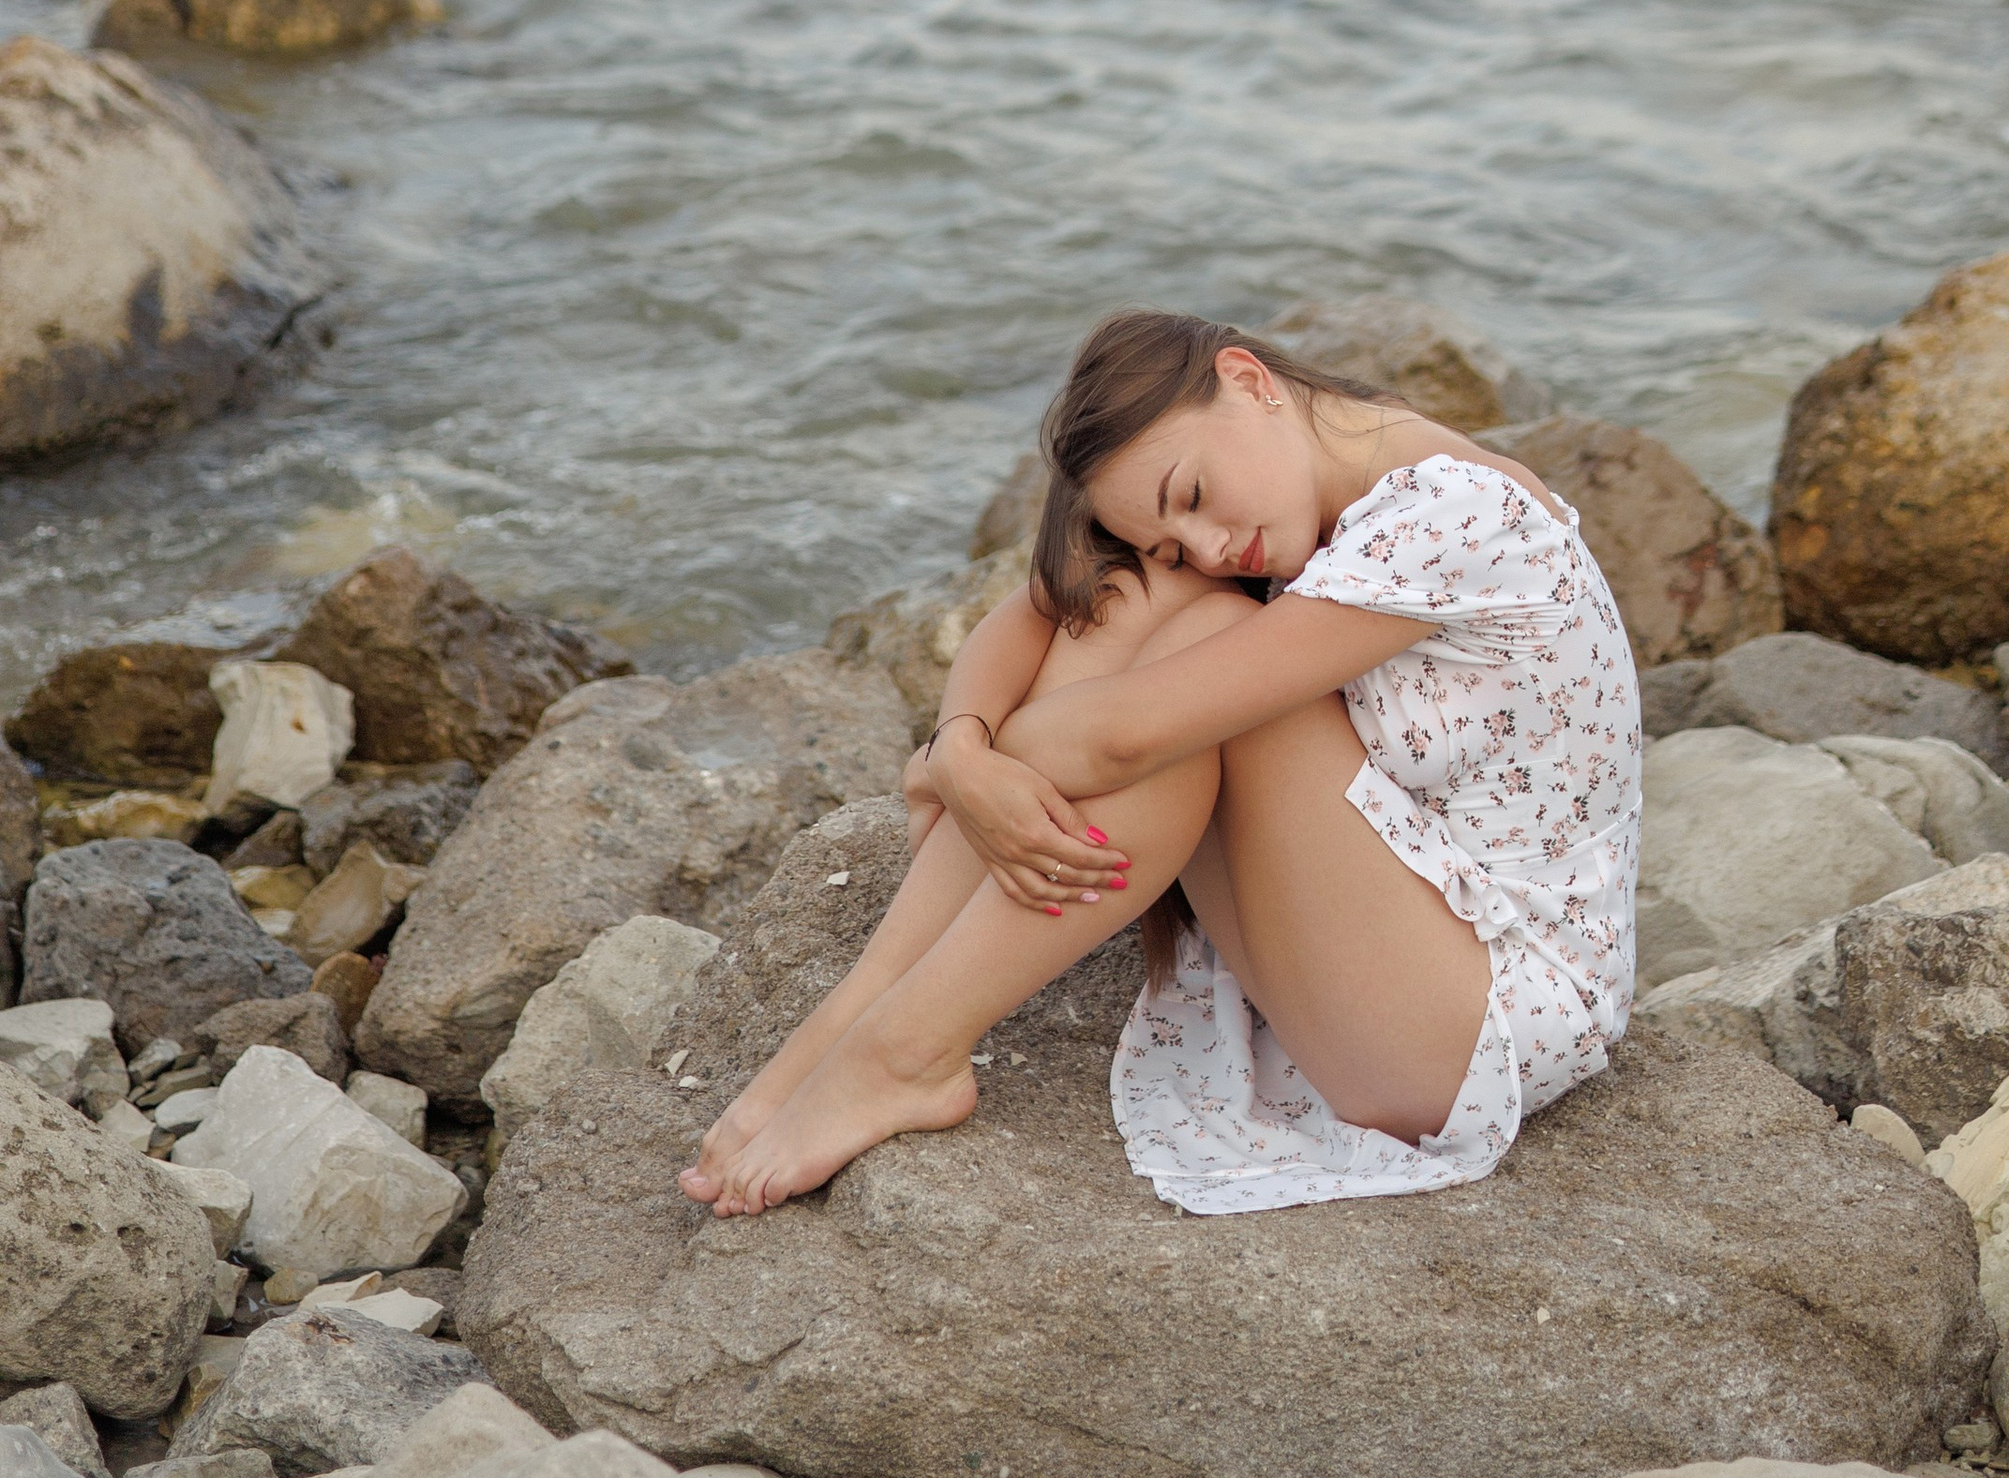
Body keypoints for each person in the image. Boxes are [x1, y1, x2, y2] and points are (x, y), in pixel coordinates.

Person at [681, 310, 1641, 1217]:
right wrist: (964, 740)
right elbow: (1045, 608)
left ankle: (905, 1050)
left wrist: (957, 772)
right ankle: (856, 1020)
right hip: (1386, 965)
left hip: (1484, 1020)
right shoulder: (1316, 487)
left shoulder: (1455, 513)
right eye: (1176, 530)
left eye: (1191, 496)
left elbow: (1120, 740)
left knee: (1197, 651)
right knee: (1141, 596)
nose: (1212, 545)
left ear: (1248, 380)